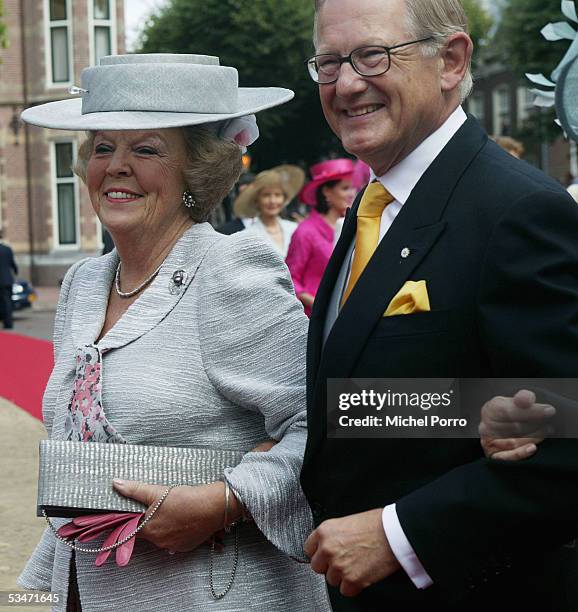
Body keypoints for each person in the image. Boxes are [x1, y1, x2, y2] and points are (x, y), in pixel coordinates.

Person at [18, 53, 330, 612]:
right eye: (103, 148)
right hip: (91, 591)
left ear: (196, 171)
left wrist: (226, 500)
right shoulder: (83, 283)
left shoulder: (231, 271)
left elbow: (321, 423)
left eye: (145, 149)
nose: (115, 166)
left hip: (216, 594)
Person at [300, 1, 578, 610]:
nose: (346, 84)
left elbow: (568, 440)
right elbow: (368, 397)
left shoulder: (520, 212)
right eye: (328, 63)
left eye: (372, 56)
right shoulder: (376, 203)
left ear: (451, 60)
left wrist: (399, 536)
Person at [286, 159, 356, 316]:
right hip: (314, 318)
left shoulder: (353, 228)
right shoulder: (306, 232)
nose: (352, 194)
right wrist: (318, 303)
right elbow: (290, 279)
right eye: (345, 188)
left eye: (353, 188)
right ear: (326, 192)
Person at [233, 165, 305, 257]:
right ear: (257, 200)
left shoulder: (294, 228)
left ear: (284, 198)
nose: (272, 201)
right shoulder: (248, 235)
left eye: (278, 195)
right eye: (266, 195)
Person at [0, 229, 18, 329]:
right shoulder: (7, 249)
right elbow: (13, 264)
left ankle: (6, 322)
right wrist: (15, 271)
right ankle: (9, 322)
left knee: (3, 302)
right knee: (8, 301)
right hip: (8, 280)